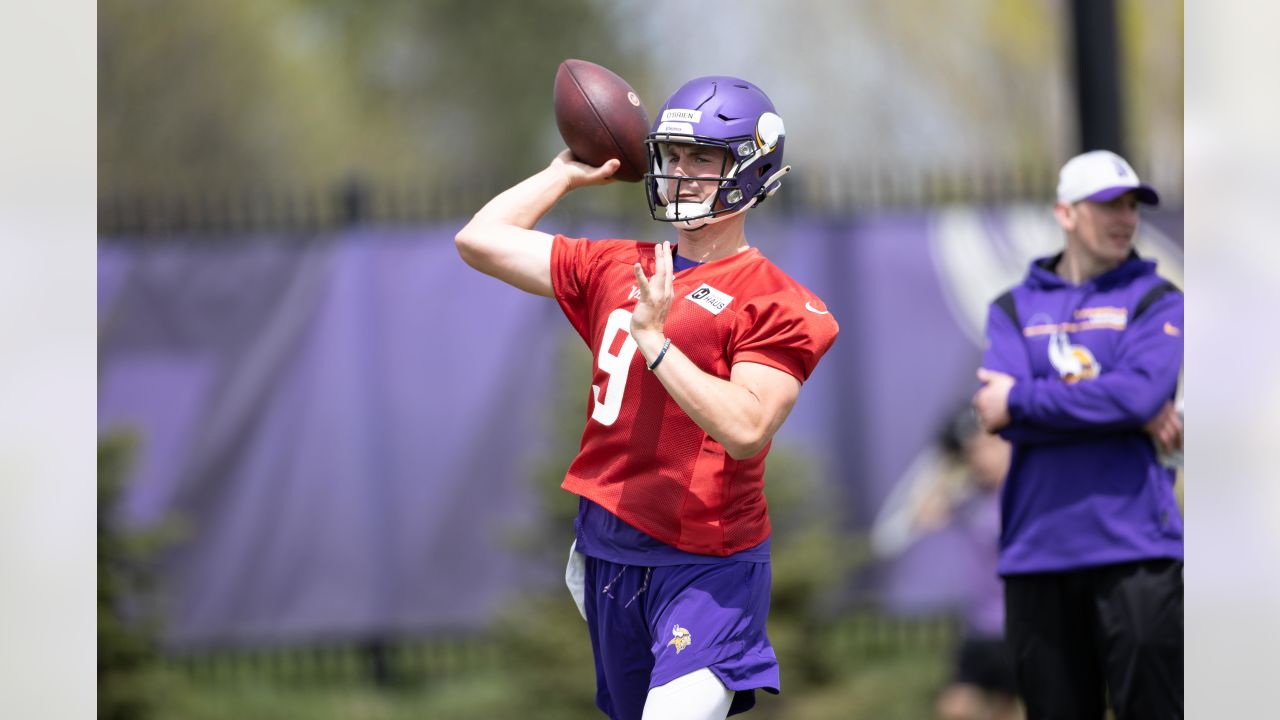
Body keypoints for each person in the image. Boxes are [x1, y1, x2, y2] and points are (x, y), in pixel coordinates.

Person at [455, 76, 839, 720]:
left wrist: (657, 343)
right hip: (608, 550)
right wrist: (565, 175)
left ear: (752, 169)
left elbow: (747, 427)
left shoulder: (777, 300)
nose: (682, 173)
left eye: (705, 157)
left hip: (706, 564)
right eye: (674, 155)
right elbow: (481, 240)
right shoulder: (619, 264)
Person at [971, 149, 1183, 719]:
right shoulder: (1012, 309)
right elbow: (992, 415)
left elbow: (1137, 395)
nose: (1125, 218)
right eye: (1108, 204)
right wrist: (1118, 408)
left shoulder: (1156, 299)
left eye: (1132, 204)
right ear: (1065, 214)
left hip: (1137, 548)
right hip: (1038, 552)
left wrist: (1022, 402)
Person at [870, 406, 1021, 720]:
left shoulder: (1022, 493)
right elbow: (911, 520)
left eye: (988, 447)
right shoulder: (969, 495)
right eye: (973, 450)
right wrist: (948, 457)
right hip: (981, 628)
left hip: (1020, 626)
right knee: (956, 708)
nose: (980, 456)